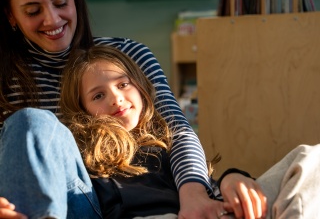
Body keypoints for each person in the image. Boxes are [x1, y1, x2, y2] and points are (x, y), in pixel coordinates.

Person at [0, 0, 267, 218]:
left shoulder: (127, 53)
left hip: (113, 197)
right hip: (83, 200)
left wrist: (198, 192)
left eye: (61, 2)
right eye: (33, 11)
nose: (52, 19)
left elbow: (177, 130)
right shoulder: (5, 76)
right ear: (11, 15)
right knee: (29, 122)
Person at [58, 44, 230, 218]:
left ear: (140, 86)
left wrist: (232, 178)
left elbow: (209, 193)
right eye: (98, 96)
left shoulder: (168, 144)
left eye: (123, 84)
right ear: (82, 111)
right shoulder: (91, 160)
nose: (116, 99)